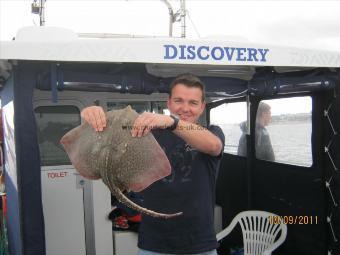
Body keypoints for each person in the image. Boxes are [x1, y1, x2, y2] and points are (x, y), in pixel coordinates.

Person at [81, 74, 225, 255]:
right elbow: (112, 133)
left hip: (199, 244)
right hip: (153, 243)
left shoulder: (212, 132)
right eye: (179, 101)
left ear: (202, 107)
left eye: (193, 103)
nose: (185, 108)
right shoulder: (148, 133)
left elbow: (213, 146)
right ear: (169, 103)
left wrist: (171, 122)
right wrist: (95, 115)